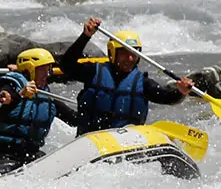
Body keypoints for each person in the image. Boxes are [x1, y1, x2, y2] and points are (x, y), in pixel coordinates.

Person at [59, 17, 192, 135]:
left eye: (134, 53)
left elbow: (167, 97)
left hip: (124, 144)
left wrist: (180, 92)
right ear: (112, 52)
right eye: (124, 53)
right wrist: (85, 36)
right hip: (91, 140)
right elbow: (66, 65)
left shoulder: (143, 83)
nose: (130, 58)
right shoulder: (93, 72)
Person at [0, 48, 74, 173]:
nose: (48, 74)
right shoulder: (10, 86)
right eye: (44, 69)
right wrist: (20, 95)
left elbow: (74, 118)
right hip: (2, 154)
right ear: (30, 68)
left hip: (30, 154)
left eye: (49, 69)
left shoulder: (45, 94)